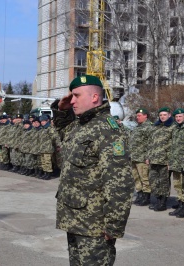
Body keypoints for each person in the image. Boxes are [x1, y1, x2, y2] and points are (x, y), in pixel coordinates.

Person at [52, 75, 133, 265]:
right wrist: (61, 110)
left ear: (95, 98)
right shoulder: (81, 125)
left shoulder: (108, 130)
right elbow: (61, 131)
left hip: (94, 226)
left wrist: (113, 226)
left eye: (77, 96)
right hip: (74, 219)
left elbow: (119, 183)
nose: (72, 101)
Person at [146, 107, 176, 211]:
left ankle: (163, 202)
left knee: (164, 182)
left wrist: (170, 161)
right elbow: (150, 143)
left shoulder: (172, 127)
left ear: (169, 115)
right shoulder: (155, 127)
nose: (162, 117)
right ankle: (158, 200)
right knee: (153, 181)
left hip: (164, 160)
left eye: (164, 115)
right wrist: (148, 157)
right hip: (154, 159)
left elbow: (173, 145)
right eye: (161, 115)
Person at [128, 108, 153, 206]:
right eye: (137, 115)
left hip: (142, 158)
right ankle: (140, 195)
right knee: (136, 178)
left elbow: (151, 143)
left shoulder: (149, 127)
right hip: (134, 157)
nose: (137, 117)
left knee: (144, 178)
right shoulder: (137, 127)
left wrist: (148, 157)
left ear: (145, 115)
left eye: (139, 115)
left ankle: (146, 197)